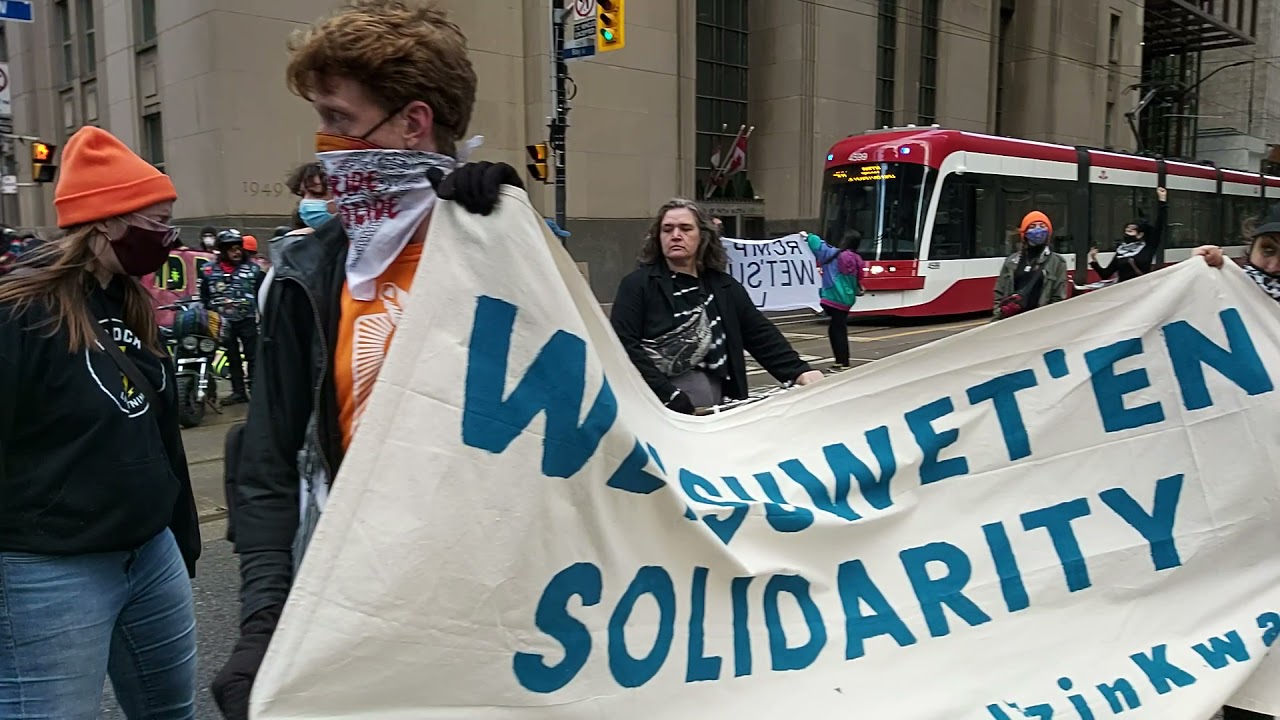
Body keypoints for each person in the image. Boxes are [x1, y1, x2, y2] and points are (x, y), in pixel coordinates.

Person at [212, 2, 522, 717]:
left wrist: (513, 242)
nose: (324, 145)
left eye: (340, 120)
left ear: (413, 124)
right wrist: (263, 625)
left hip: (488, 610)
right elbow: (267, 459)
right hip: (357, 601)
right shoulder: (306, 274)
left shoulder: (501, 250)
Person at [0, 126, 200, 718]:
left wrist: (181, 538)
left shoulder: (129, 303)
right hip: (49, 571)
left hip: (150, 555)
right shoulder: (20, 316)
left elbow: (160, 436)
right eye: (158, 223)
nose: (168, 239)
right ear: (107, 222)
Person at [611, 198, 823, 412]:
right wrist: (670, 395)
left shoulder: (724, 287)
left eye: (685, 228)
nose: (675, 235)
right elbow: (624, 345)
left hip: (720, 405)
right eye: (667, 229)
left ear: (702, 236)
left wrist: (799, 372)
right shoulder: (637, 285)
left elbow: (759, 334)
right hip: (659, 409)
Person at [199, 228, 263, 405]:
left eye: (238, 248)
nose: (236, 252)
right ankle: (238, 392)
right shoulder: (208, 270)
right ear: (222, 250)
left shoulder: (254, 270)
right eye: (231, 249)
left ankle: (256, 390)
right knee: (232, 356)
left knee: (253, 356)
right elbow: (204, 296)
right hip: (222, 322)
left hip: (248, 319)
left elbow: (262, 295)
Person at [805, 228, 865, 371]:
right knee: (837, 328)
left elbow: (818, 245)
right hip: (847, 299)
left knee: (837, 330)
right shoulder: (857, 259)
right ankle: (841, 361)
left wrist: (807, 236)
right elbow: (860, 277)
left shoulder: (835, 254)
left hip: (833, 296)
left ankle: (843, 362)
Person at [993, 210, 1068, 320]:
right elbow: (999, 292)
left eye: (1042, 226)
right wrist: (1000, 313)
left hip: (1039, 323)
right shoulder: (1011, 261)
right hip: (1012, 321)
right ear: (1024, 233)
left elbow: (1058, 298)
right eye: (1032, 226)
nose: (1038, 230)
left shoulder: (1057, 262)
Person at [1089, 187, 1168, 284]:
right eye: (1126, 231)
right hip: (1124, 292)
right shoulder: (1121, 251)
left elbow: (1159, 226)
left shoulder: (1148, 248)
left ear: (1140, 235)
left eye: (1131, 231)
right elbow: (1105, 274)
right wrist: (1094, 259)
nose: (1127, 233)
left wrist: (1162, 200)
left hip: (1142, 290)